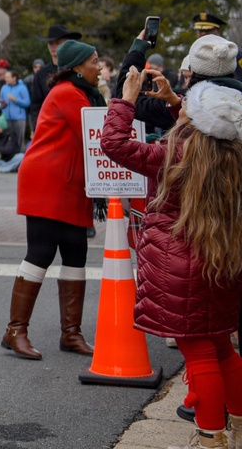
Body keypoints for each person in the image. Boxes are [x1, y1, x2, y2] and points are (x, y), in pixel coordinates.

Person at [102, 70, 242, 449]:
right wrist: (176, 103)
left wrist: (126, 99)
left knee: (198, 354)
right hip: (224, 261)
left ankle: (212, 436)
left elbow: (113, 144)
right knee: (223, 348)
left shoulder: (172, 155)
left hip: (179, 267)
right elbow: (216, 126)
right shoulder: (233, 152)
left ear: (194, 120)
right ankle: (238, 422)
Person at [0, 39, 103, 360]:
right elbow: (102, 129)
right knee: (41, 253)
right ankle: (14, 330)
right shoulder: (68, 94)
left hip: (70, 182)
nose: (99, 67)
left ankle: (71, 334)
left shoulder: (80, 93)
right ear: (76, 68)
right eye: (94, 61)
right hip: (48, 181)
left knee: (76, 253)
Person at [28, 25, 82, 130]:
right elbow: (36, 106)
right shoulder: (41, 74)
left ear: (67, 44)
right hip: (50, 128)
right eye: (50, 43)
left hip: (75, 126)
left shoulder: (77, 69)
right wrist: (37, 129)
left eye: (57, 43)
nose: (53, 47)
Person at [193, 11, 242, 82]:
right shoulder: (193, 56)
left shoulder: (234, 54)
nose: (203, 34)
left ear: (218, 31)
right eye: (200, 30)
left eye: (208, 30)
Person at [0, 68, 30, 150]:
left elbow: (27, 102)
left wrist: (16, 100)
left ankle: (20, 158)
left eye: (8, 77)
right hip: (6, 118)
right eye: (5, 77)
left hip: (19, 119)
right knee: (8, 139)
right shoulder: (4, 88)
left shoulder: (22, 88)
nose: (6, 79)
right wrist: (2, 105)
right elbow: (0, 101)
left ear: (14, 78)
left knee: (19, 140)